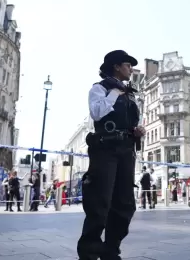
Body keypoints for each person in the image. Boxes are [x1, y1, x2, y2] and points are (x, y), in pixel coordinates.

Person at [77, 50, 145, 260]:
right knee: (100, 201)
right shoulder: (100, 88)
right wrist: (115, 92)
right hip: (105, 149)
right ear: (116, 66)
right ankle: (89, 252)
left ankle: (111, 249)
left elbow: (130, 121)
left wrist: (137, 131)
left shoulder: (131, 94)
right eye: (128, 65)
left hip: (126, 151)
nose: (131, 69)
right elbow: (97, 113)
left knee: (125, 203)